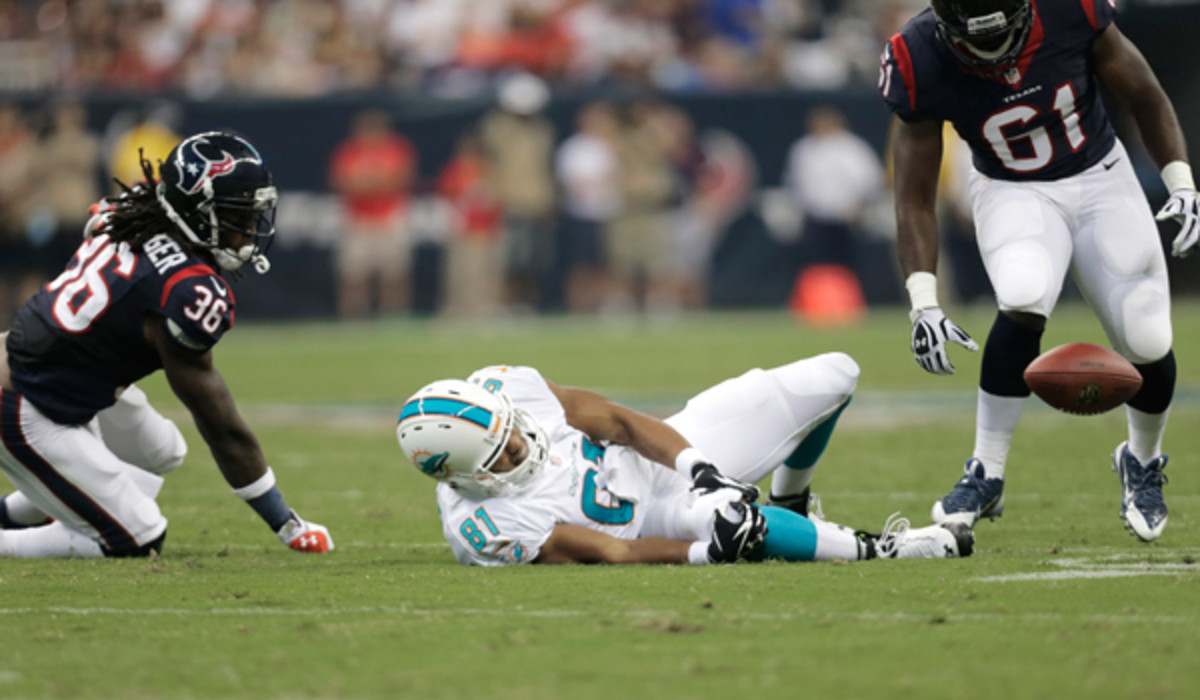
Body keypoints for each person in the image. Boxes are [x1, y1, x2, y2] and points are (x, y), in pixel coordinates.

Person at [879, 0, 1198, 542]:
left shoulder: (1070, 9)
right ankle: (986, 470)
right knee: (1024, 294)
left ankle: (1141, 460)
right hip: (1010, 186)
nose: (994, 54)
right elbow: (913, 196)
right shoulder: (918, 54)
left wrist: (1184, 184)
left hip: (1101, 176)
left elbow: (1145, 95)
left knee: (1147, 336)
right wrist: (923, 300)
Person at [0, 131, 333, 558]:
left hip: (59, 370)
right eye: (237, 215)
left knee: (163, 451)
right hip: (25, 399)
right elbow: (220, 424)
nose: (249, 229)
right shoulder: (185, 291)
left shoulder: (134, 209)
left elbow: (98, 225)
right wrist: (282, 520)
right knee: (139, 536)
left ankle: (28, 507)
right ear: (196, 213)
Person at [396, 357, 973, 566]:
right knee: (727, 520)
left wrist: (697, 465)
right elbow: (614, 551)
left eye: (511, 431)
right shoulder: (483, 527)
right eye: (503, 454)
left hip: (658, 457)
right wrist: (703, 553)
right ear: (463, 477)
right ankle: (883, 548)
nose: (521, 445)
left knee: (834, 376)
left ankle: (793, 501)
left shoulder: (509, 388)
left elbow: (618, 420)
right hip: (647, 520)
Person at [328, 109, 417, 319]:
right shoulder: (350, 150)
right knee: (354, 273)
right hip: (358, 217)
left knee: (394, 271)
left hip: (389, 215)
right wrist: (373, 183)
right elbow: (341, 181)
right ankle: (354, 315)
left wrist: (368, 183)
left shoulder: (395, 148)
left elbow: (402, 179)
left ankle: (394, 314)